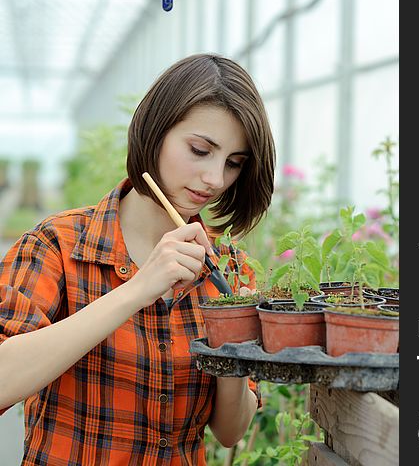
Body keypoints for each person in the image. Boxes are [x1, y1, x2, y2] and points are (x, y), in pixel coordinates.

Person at [0, 54, 276, 465]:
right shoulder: (57, 243)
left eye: (234, 163)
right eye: (200, 150)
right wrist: (137, 290)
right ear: (155, 130)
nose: (216, 179)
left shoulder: (229, 268)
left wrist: (234, 346)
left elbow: (230, 431)